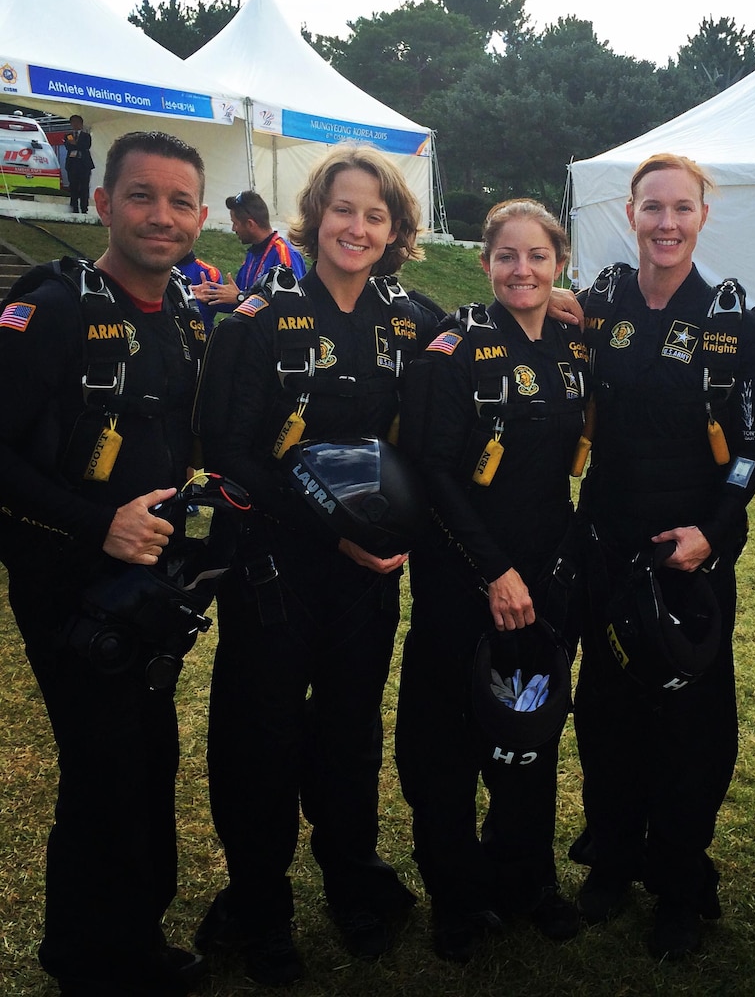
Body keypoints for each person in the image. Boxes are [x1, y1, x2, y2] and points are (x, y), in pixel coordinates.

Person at [193, 144, 439, 986]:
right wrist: (328, 527)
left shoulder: (412, 320)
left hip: (368, 578)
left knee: (348, 733)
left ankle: (352, 880)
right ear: (316, 215)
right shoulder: (257, 323)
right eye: (344, 209)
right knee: (257, 739)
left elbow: (487, 339)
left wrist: (557, 300)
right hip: (274, 571)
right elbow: (229, 455)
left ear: (397, 228)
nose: (358, 227)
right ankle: (257, 904)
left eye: (376, 214)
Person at [0, 131, 210, 995]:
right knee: (105, 770)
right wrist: (98, 528)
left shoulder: (187, 319)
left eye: (178, 201)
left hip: (149, 595)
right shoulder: (48, 310)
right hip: (70, 590)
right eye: (141, 196)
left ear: (200, 216)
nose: (161, 216)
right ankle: (93, 963)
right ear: (102, 203)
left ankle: (128, 943)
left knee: (140, 762)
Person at [572, 153, 755, 960]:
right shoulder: (602, 301)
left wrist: (714, 533)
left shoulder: (734, 324)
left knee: (692, 731)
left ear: (702, 217)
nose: (666, 223)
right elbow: (535, 309)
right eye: (652, 207)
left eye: (681, 209)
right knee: (606, 714)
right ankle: (614, 857)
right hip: (606, 548)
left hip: (689, 559)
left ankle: (680, 882)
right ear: (630, 211)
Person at [395, 199, 587, 962]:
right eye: (507, 256)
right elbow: (432, 474)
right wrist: (493, 571)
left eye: (538, 256)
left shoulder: (574, 348)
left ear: (558, 263)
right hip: (463, 577)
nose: (523, 270)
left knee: (529, 732)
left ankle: (527, 878)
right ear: (484, 263)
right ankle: (456, 894)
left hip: (544, 579)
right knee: (444, 744)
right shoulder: (452, 350)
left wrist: (541, 573)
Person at [192, 189, 307, 316]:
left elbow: (289, 306)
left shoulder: (283, 254)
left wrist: (241, 297)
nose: (233, 229)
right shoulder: (253, 254)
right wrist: (210, 296)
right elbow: (237, 302)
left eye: (235, 223)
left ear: (250, 224)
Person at [176, 249, 223, 330]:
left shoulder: (208, 272)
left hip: (199, 338)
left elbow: (229, 306)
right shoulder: (151, 267)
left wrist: (210, 299)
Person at [62, 114, 94, 214]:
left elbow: (85, 146)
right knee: (73, 186)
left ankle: (84, 207)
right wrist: (75, 145)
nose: (75, 124)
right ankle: (74, 207)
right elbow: (69, 147)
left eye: (77, 122)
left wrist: (75, 144)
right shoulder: (69, 135)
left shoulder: (86, 136)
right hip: (72, 164)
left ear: (81, 124)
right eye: (73, 122)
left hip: (84, 165)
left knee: (84, 186)